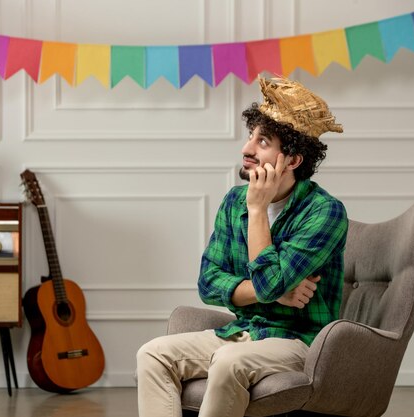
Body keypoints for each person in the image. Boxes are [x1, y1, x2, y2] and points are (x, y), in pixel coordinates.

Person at [136, 76, 348, 417]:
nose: (246, 149)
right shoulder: (234, 200)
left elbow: (267, 283)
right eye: (251, 137)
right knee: (152, 354)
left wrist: (258, 210)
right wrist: (274, 294)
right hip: (243, 330)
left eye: (262, 141)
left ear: (291, 160)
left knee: (228, 361)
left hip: (297, 340)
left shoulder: (325, 212)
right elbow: (208, 283)